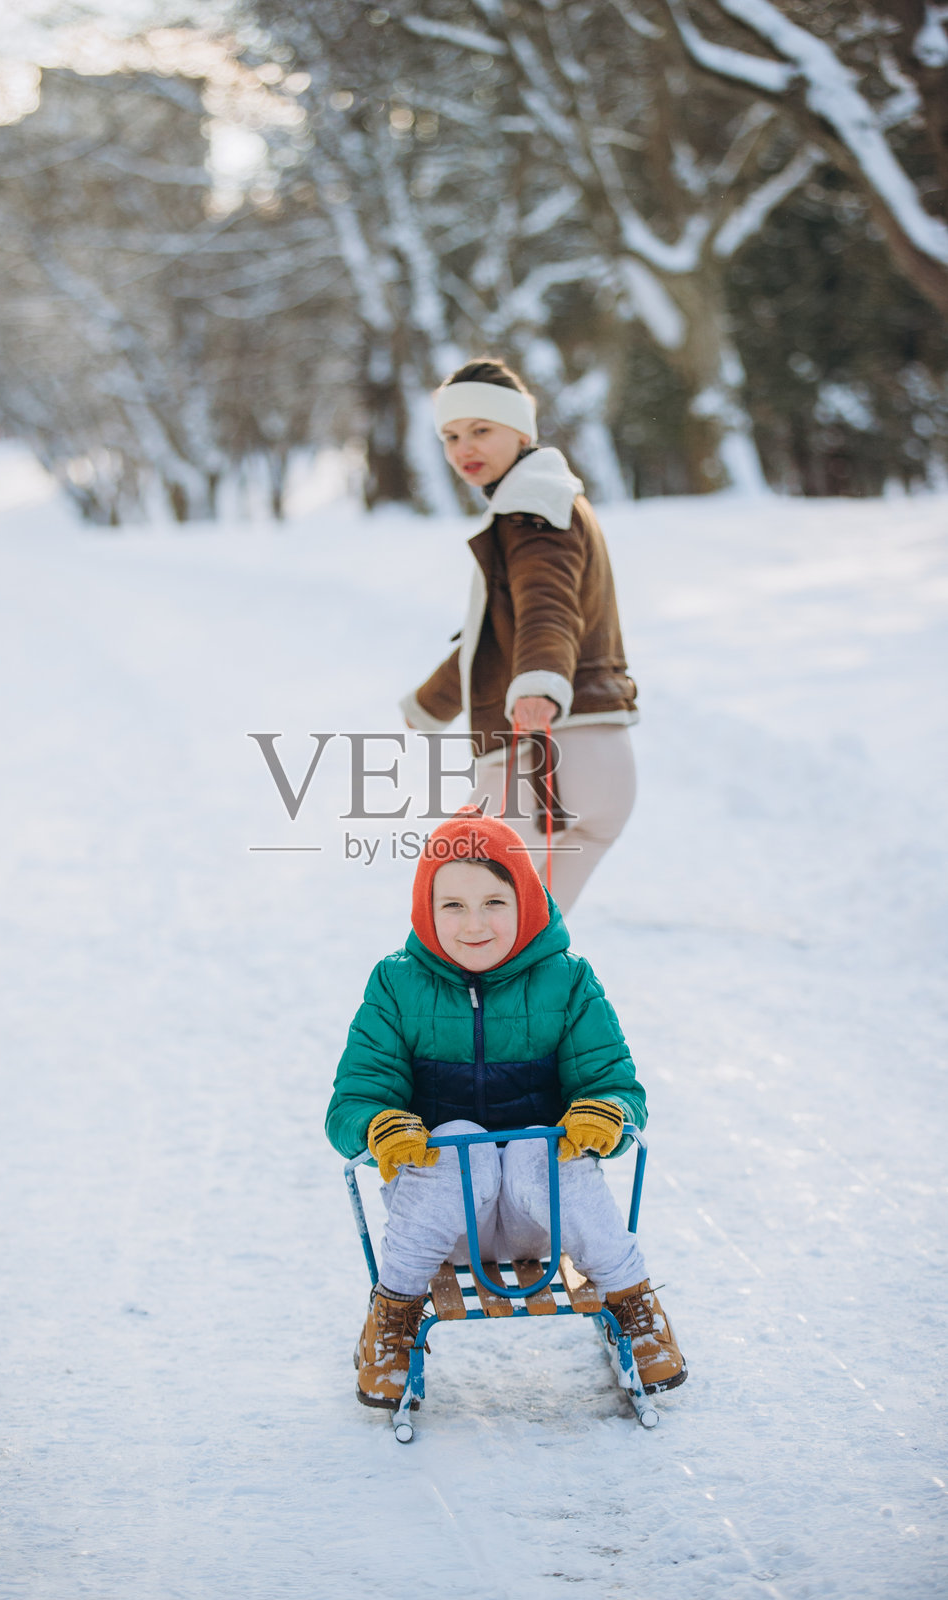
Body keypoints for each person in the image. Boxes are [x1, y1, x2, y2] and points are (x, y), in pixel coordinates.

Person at [326, 808, 686, 1412]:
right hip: (443, 1227)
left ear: (527, 899)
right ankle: (393, 1316)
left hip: (538, 1213)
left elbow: (619, 1088)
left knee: (535, 1143)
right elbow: (353, 1101)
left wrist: (607, 1114)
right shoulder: (396, 984)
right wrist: (377, 1125)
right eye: (454, 906)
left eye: (494, 901)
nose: (475, 924)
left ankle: (633, 1302)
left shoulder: (567, 982)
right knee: (457, 1137)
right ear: (425, 908)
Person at [400, 359, 637, 915]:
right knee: (525, 948)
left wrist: (539, 684)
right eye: (451, 436)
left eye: (482, 430)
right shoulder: (553, 501)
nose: (464, 448)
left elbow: (546, 609)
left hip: (550, 762)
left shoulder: (529, 508)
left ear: (521, 432)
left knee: (463, 929)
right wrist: (429, 706)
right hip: (601, 762)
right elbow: (493, 635)